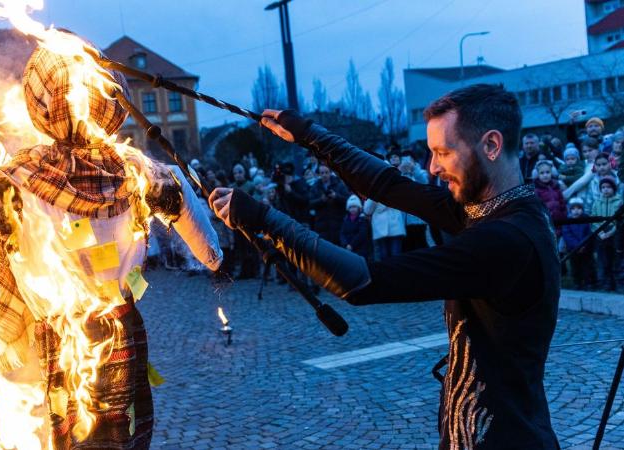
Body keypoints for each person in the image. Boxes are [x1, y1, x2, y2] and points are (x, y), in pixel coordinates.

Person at [210, 83, 560, 449]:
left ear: (491, 145)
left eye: (444, 152)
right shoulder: (491, 211)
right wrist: (309, 134)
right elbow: (390, 186)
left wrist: (265, 219)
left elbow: (366, 282)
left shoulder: (507, 240)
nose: (433, 167)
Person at [0, 42, 222, 450]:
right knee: (116, 430)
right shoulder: (135, 170)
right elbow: (187, 211)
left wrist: (4, 333)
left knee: (74, 429)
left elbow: (2, 248)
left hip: (63, 327)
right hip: (115, 321)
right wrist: (213, 257)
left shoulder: (21, 174)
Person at [591, 176, 622, 292]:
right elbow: (593, 219)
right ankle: (606, 284)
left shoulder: (619, 202)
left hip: (615, 235)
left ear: (614, 188)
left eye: (608, 187)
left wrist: (611, 232)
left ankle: (619, 283)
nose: (605, 189)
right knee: (603, 261)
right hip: (601, 234)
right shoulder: (596, 202)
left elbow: (619, 222)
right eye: (603, 187)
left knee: (616, 260)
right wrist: (600, 232)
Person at [308, 164, 349, 245]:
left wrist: (336, 196)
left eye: (326, 172)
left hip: (338, 224)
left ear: (330, 173)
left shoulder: (339, 184)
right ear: (319, 174)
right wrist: (321, 200)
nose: (324, 175)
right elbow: (310, 204)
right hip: (322, 225)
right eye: (322, 173)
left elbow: (348, 201)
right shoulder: (315, 187)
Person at [562, 197, 593, 290]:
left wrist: (584, 245)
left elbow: (589, 233)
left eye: (579, 208)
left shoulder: (586, 219)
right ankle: (577, 283)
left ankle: (588, 283)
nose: (576, 211)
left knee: (586, 266)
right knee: (575, 266)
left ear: (582, 209)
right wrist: (577, 245)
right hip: (573, 249)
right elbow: (567, 235)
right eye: (573, 209)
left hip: (585, 248)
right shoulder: (567, 221)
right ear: (570, 210)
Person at [339, 195, 372, 261]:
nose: (352, 209)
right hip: (348, 249)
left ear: (359, 207)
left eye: (354, 207)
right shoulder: (346, 219)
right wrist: (345, 244)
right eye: (350, 207)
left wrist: (352, 245)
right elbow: (342, 233)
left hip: (361, 250)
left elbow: (362, 234)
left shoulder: (362, 219)